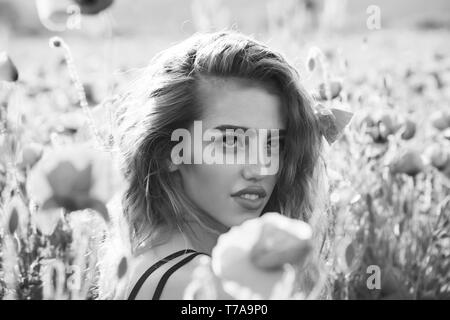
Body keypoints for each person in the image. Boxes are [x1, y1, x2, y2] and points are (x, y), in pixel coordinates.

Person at [111, 30, 330, 300]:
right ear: (168, 152)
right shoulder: (195, 285)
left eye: (274, 144)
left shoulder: (151, 260)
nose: (261, 168)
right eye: (230, 141)